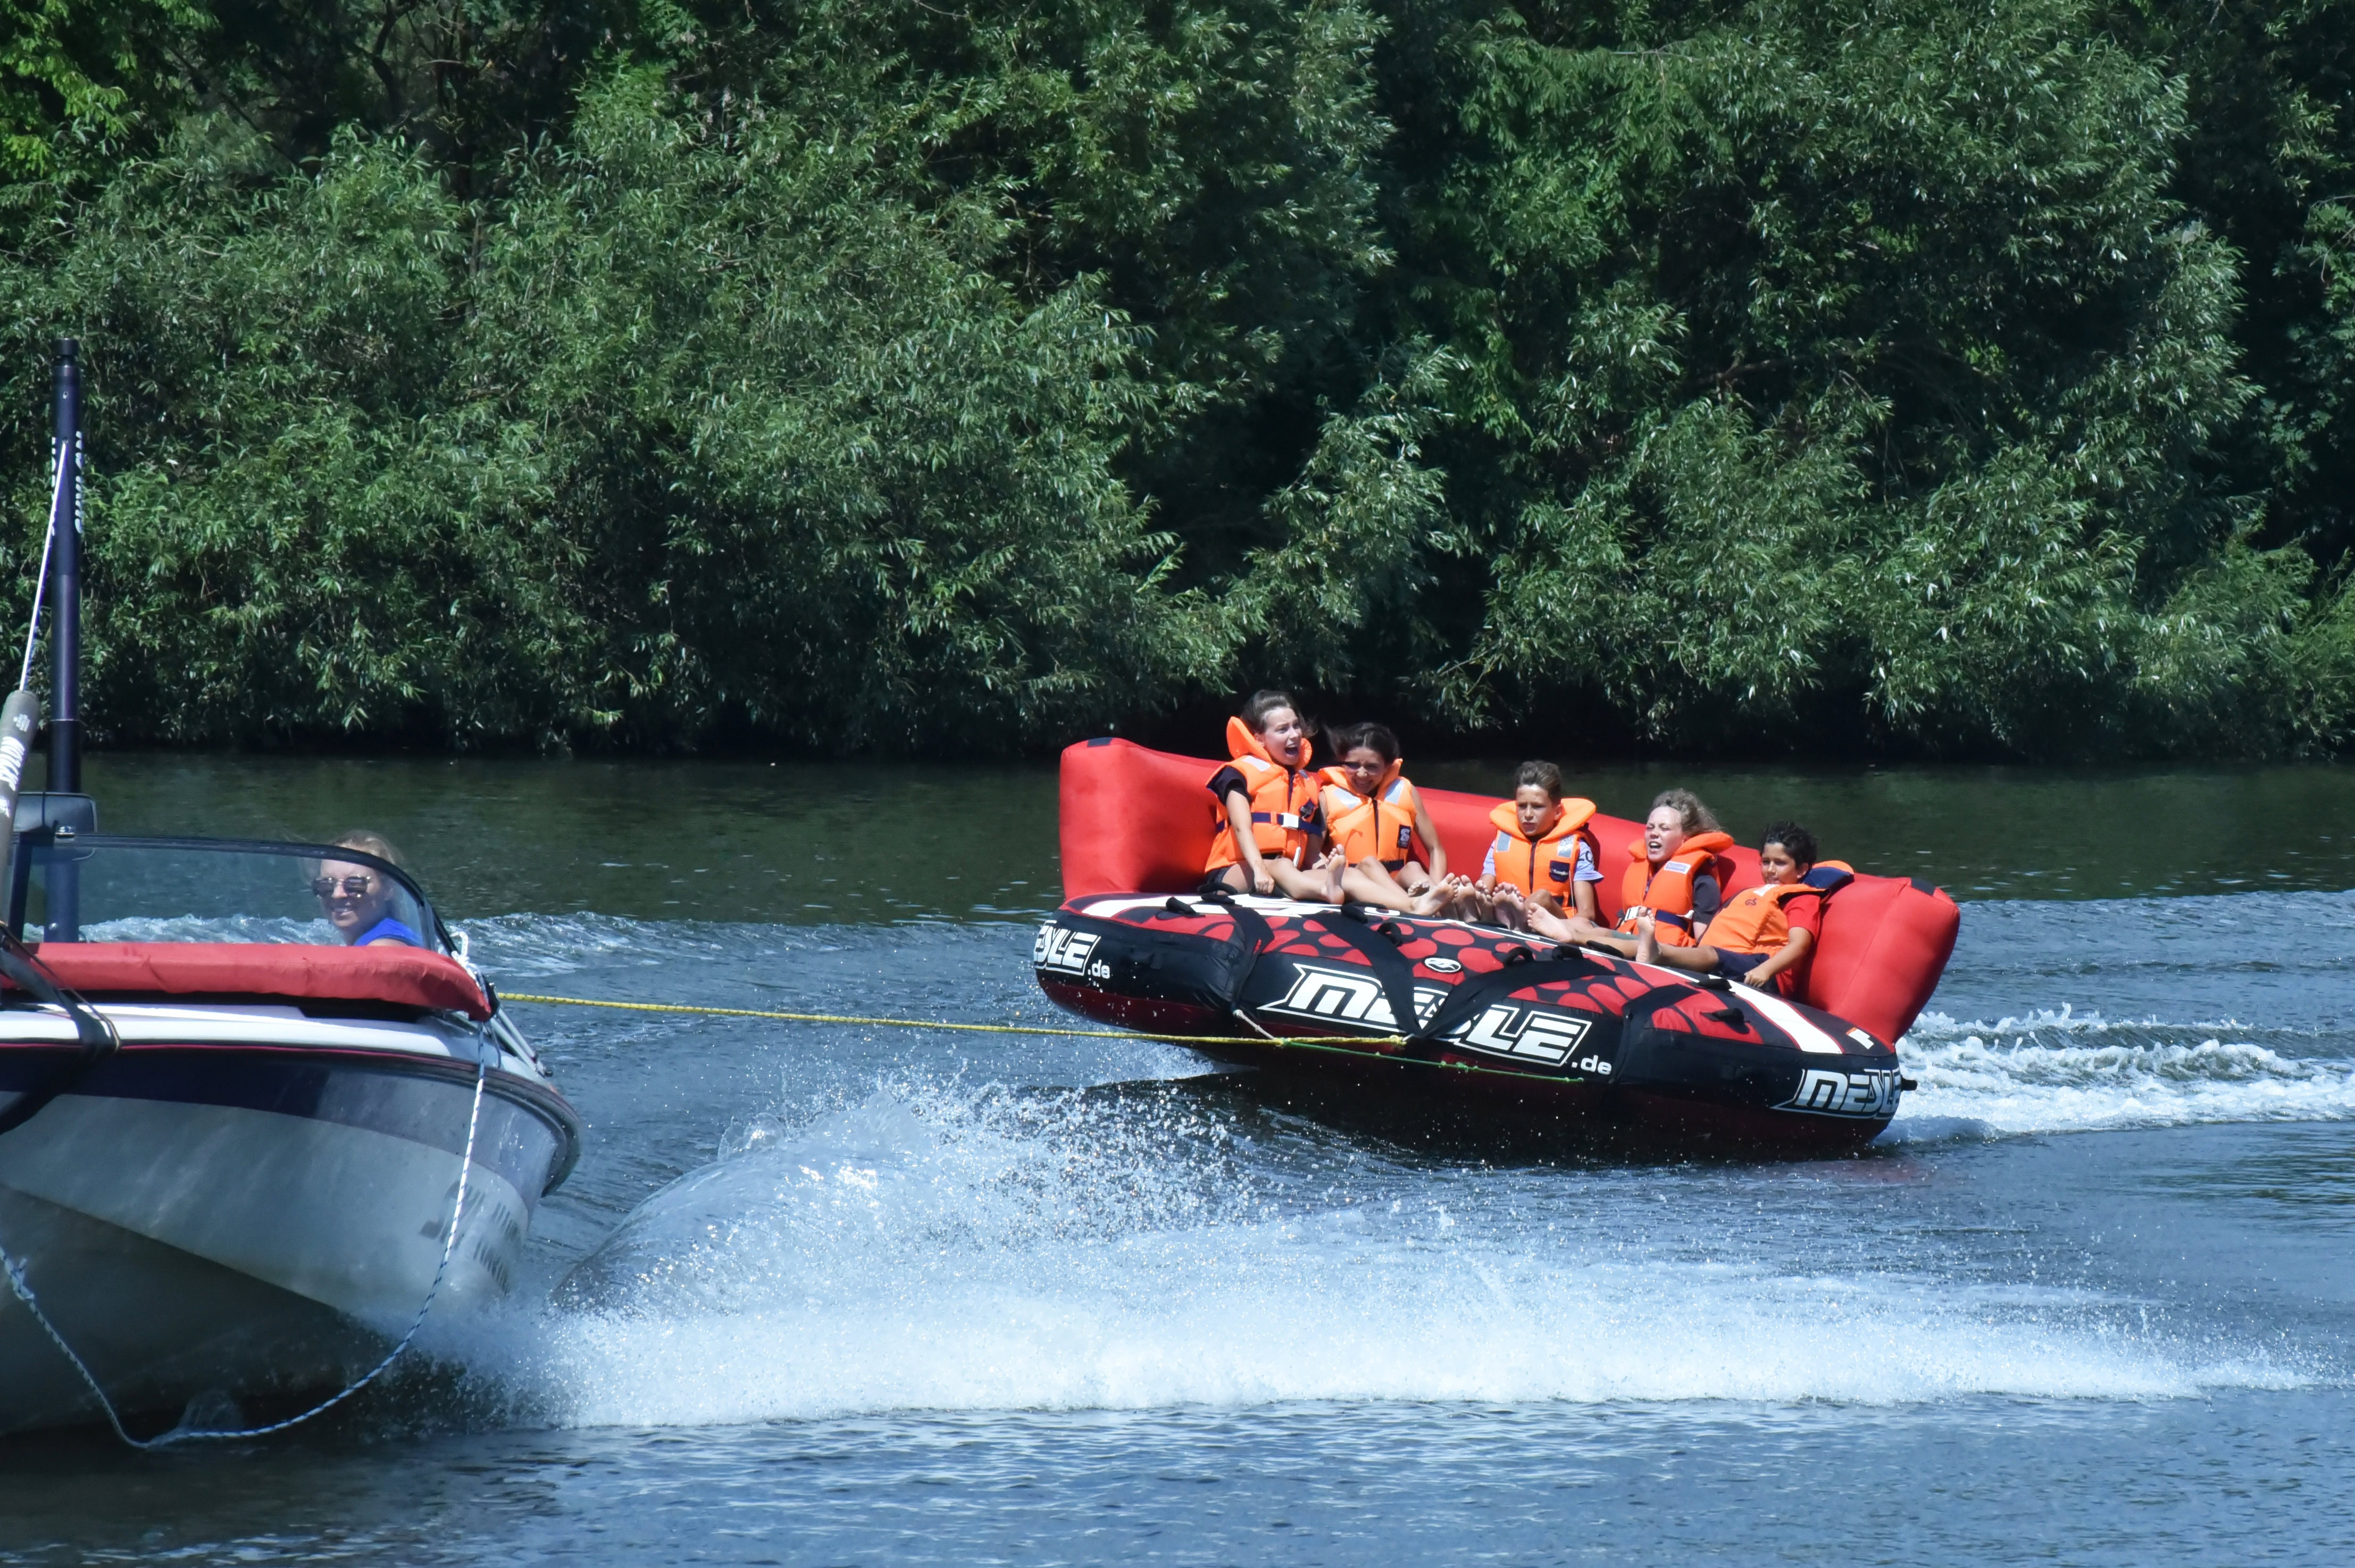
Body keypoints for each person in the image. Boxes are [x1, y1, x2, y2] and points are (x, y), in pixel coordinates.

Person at [1630, 822, 1851, 995]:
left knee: (1710, 954)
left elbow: (1799, 945)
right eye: (1766, 862)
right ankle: (1618, 945)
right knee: (1698, 952)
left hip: (1768, 974)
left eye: (1780, 863)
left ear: (1802, 870)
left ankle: (1657, 953)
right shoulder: (1757, 893)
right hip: (1738, 960)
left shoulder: (1802, 898)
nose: (1771, 870)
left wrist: (1766, 970)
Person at [1202, 690, 1344, 902]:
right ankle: (1325, 891)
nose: (1295, 735)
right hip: (1234, 871)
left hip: (1289, 872)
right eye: (1283, 729)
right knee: (1282, 866)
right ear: (1259, 739)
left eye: (1296, 726)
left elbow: (1312, 853)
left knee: (1353, 875)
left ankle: (1400, 903)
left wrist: (1327, 867)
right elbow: (1241, 827)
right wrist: (1260, 870)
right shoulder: (1236, 774)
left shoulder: (1307, 785)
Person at [1318, 723, 1456, 914]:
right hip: (1356, 884)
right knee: (1369, 864)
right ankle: (1413, 906)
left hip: (1395, 880)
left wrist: (1437, 883)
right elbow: (1314, 854)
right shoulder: (1328, 797)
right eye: (1353, 765)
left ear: (1387, 767)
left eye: (1372, 767)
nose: (1362, 774)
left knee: (1413, 868)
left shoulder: (1406, 791)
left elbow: (1435, 849)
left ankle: (1437, 902)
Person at [1476, 761, 1602, 929]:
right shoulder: (1501, 843)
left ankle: (1519, 917)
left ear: (1557, 812)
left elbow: (1587, 914)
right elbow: (1484, 887)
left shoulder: (1578, 848)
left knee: (1542, 898)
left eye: (1537, 807)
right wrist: (1479, 895)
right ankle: (1495, 917)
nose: (1528, 814)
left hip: (1558, 925)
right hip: (1505, 916)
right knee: (1475, 894)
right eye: (1522, 806)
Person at [313, 830, 423, 947]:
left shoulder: (383, 947)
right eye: (326, 884)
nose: (337, 894)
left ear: (388, 888)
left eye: (355, 884)